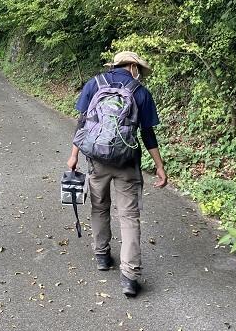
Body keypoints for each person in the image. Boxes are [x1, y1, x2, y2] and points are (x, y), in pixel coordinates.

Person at [67, 51, 167, 297]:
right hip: (127, 162)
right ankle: (129, 277)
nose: (140, 75)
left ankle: (102, 256)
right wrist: (159, 167)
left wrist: (73, 156)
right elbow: (147, 134)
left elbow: (83, 122)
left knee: (99, 206)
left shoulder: (94, 83)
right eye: (139, 70)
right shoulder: (140, 92)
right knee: (129, 216)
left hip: (97, 159)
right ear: (132, 66)